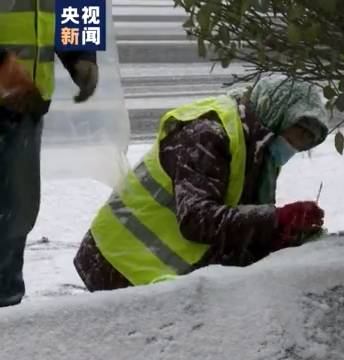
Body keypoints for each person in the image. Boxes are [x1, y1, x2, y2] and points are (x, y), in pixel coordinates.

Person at [74, 78, 329, 291]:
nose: (297, 146)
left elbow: (237, 222)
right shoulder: (207, 134)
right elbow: (197, 220)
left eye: (308, 141)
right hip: (117, 263)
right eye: (299, 133)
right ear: (277, 113)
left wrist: (277, 236)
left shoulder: (259, 150)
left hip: (157, 269)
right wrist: (276, 219)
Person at [0, 1, 99, 307]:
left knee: (16, 215)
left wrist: (82, 54)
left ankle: (7, 307)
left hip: (27, 103)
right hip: (13, 91)